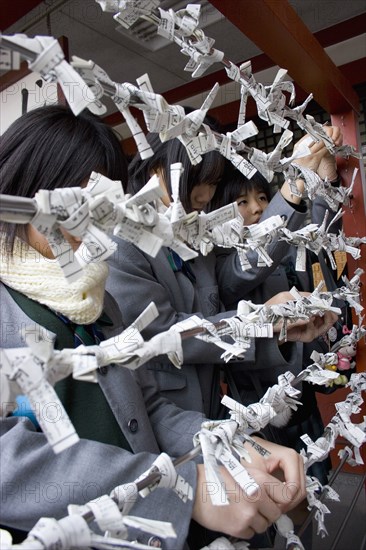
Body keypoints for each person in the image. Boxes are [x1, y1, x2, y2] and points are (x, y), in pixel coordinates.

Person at [0, 105, 307, 548]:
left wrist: (228, 444)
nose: (94, 229)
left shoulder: (99, 305)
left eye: (102, 208)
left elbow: (145, 407)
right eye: (77, 207)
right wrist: (176, 488)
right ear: (26, 192)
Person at [106, 125, 338, 421]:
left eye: (213, 181)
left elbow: (249, 262)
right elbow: (161, 330)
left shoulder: (196, 235)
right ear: (155, 168)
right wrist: (259, 321)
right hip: (163, 415)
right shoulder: (121, 238)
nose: (205, 193)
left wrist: (272, 323)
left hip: (214, 408)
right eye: (199, 178)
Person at [210, 126, 344, 483]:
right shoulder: (223, 261)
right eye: (242, 202)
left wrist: (324, 182)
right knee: (283, 492)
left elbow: (314, 233)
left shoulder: (280, 244)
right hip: (260, 407)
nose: (256, 208)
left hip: (303, 386)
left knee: (318, 478)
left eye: (261, 197)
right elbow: (256, 258)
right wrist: (298, 181)